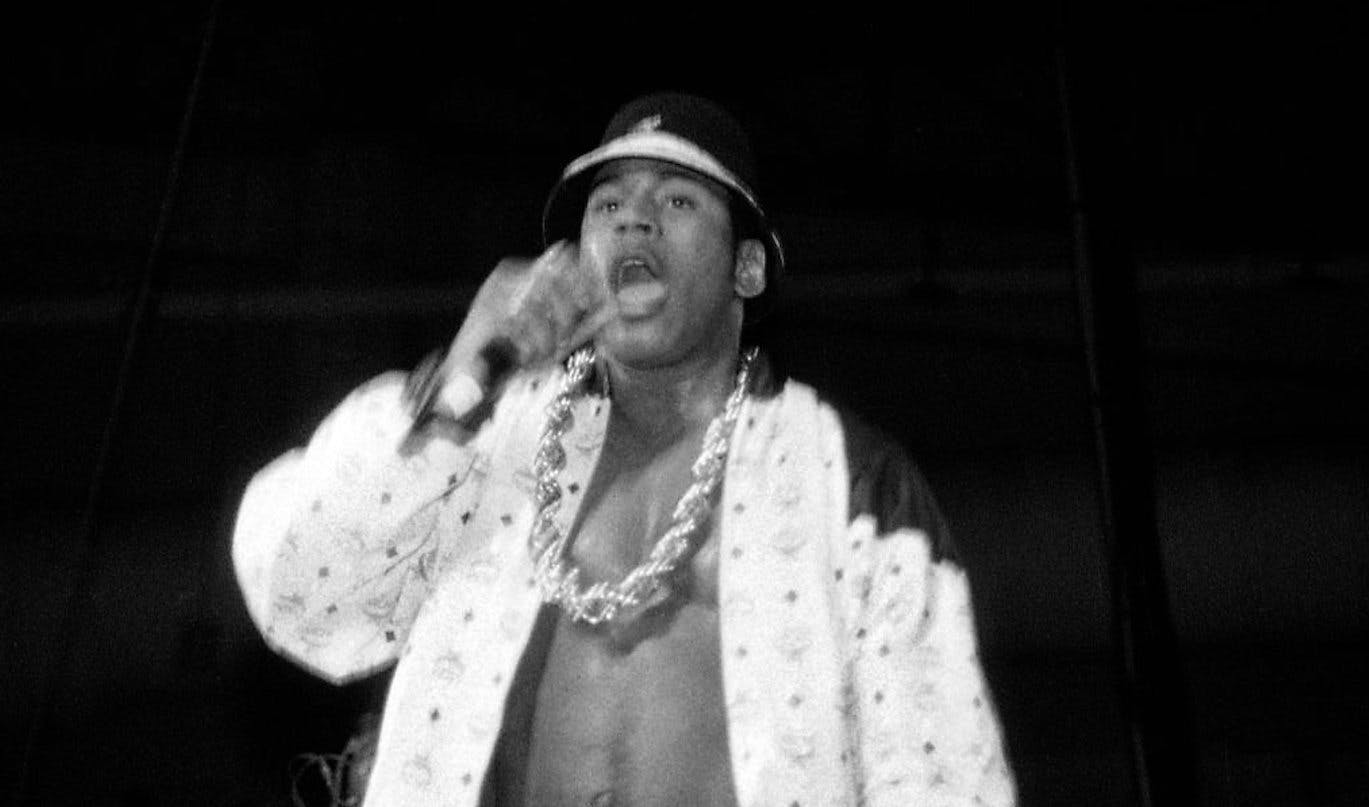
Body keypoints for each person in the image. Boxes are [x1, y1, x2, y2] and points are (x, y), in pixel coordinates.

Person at [233, 92, 1016, 807]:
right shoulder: (486, 442)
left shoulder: (847, 477)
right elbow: (305, 602)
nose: (632, 221)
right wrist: (464, 382)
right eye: (607, 206)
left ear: (748, 267)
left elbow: (939, 771)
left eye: (676, 200)